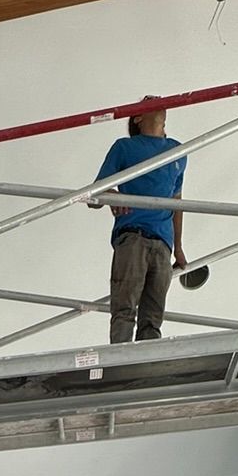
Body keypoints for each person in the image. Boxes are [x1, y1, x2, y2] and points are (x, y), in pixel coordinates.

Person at [92, 99, 189, 344]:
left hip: (163, 243)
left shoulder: (178, 151)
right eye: (149, 102)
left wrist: (178, 248)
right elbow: (95, 194)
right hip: (132, 235)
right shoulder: (125, 148)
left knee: (153, 318)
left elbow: (178, 202)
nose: (158, 103)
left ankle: (145, 367)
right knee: (125, 309)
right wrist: (112, 195)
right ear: (137, 117)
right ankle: (120, 362)